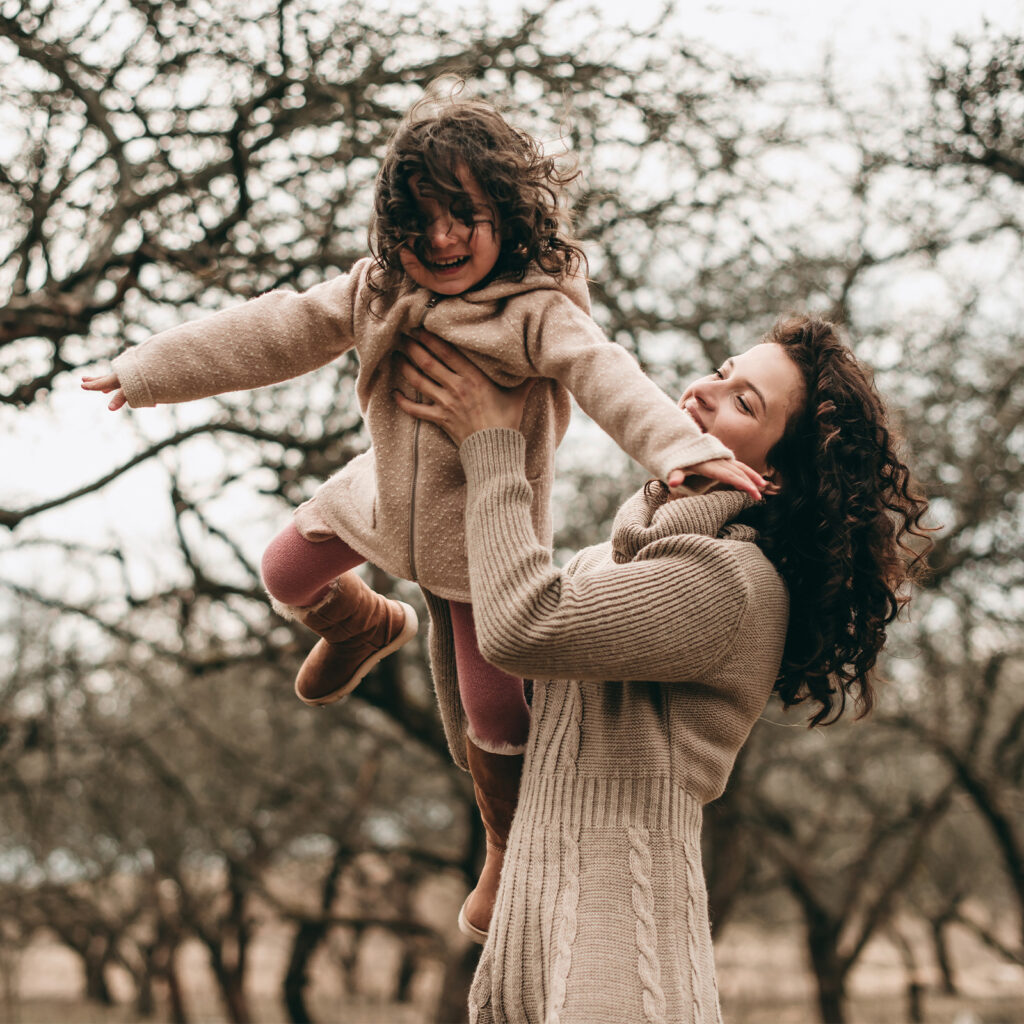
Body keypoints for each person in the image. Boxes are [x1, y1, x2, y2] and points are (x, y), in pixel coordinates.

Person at [80, 87, 766, 940]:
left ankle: (505, 846)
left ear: (507, 217)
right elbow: (275, 329)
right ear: (391, 223)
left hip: (481, 539)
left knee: (496, 716)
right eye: (419, 217)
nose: (440, 239)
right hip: (378, 494)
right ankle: (366, 625)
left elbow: (607, 377)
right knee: (283, 571)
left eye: (464, 216)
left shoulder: (534, 311)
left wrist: (681, 451)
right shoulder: (377, 289)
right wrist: (146, 370)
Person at [395, 314, 930, 1022]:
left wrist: (491, 443)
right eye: (722, 370)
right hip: (527, 960)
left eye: (746, 403)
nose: (707, 392)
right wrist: (443, 482)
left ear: (771, 473)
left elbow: (521, 626)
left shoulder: (730, 581)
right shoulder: (603, 568)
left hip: (616, 966)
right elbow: (487, 705)